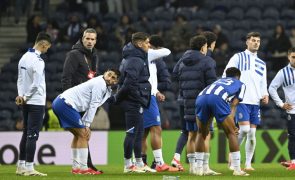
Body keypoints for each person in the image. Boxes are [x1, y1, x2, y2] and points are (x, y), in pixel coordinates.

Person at [52, 69, 120, 175]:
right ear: (106, 73)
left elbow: (96, 103)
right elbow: (93, 105)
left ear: (115, 82)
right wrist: (87, 125)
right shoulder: (100, 83)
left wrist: (85, 123)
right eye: (109, 74)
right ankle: (84, 168)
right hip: (65, 104)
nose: (110, 77)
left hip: (60, 103)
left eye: (113, 78)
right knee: (84, 135)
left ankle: (76, 168)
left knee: (78, 135)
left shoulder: (105, 87)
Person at [224, 32, 269, 170]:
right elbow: (227, 73)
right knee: (244, 129)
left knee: (252, 134)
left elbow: (263, 82)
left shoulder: (262, 63)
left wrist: (265, 94)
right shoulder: (238, 57)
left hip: (255, 102)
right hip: (242, 100)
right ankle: (233, 157)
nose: (256, 43)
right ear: (247, 42)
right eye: (253, 40)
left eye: (258, 41)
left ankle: (248, 164)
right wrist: (231, 94)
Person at [111, 32, 153, 173]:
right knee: (132, 133)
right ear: (139, 44)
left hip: (135, 101)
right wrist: (139, 98)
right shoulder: (135, 59)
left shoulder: (134, 57)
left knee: (139, 133)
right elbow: (129, 84)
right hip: (132, 102)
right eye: (147, 42)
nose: (149, 45)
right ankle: (128, 165)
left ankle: (139, 163)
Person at [194, 67, 249, 176]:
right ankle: (237, 170)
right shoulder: (240, 84)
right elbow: (234, 104)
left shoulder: (218, 80)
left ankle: (199, 169)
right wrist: (234, 125)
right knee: (231, 133)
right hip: (217, 98)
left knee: (201, 133)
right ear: (238, 76)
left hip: (201, 97)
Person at [176, 35, 217, 175]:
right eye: (206, 46)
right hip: (203, 102)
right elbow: (212, 84)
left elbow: (175, 75)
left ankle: (193, 168)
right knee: (204, 134)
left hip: (187, 101)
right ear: (202, 47)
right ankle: (203, 167)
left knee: (191, 135)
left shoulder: (182, 61)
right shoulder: (207, 61)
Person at [61, 28, 100, 172]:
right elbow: (66, 78)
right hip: (74, 101)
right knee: (82, 133)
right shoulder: (74, 55)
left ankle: (80, 165)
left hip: (86, 100)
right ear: (82, 39)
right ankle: (85, 165)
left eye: (92, 39)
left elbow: (94, 77)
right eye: (87, 39)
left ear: (96, 41)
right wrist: (68, 99)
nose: (90, 42)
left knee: (82, 134)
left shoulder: (95, 55)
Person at [15, 32, 52, 176]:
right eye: (47, 47)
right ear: (43, 45)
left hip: (25, 101)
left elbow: (19, 79)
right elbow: (36, 84)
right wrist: (26, 96)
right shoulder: (38, 60)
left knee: (26, 133)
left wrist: (21, 95)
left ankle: (21, 166)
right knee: (33, 135)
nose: (47, 49)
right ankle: (29, 168)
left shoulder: (23, 57)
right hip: (36, 102)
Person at [140, 35, 177, 172]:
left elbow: (149, 79)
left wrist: (156, 91)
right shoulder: (150, 55)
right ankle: (159, 163)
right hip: (147, 97)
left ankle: (141, 163)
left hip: (147, 94)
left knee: (142, 132)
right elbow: (167, 51)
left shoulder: (134, 57)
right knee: (156, 128)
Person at [268, 47, 295, 170]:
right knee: (293, 136)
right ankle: (294, 162)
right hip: (292, 110)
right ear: (288, 57)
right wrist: (281, 103)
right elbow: (272, 88)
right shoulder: (283, 72)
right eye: (293, 57)